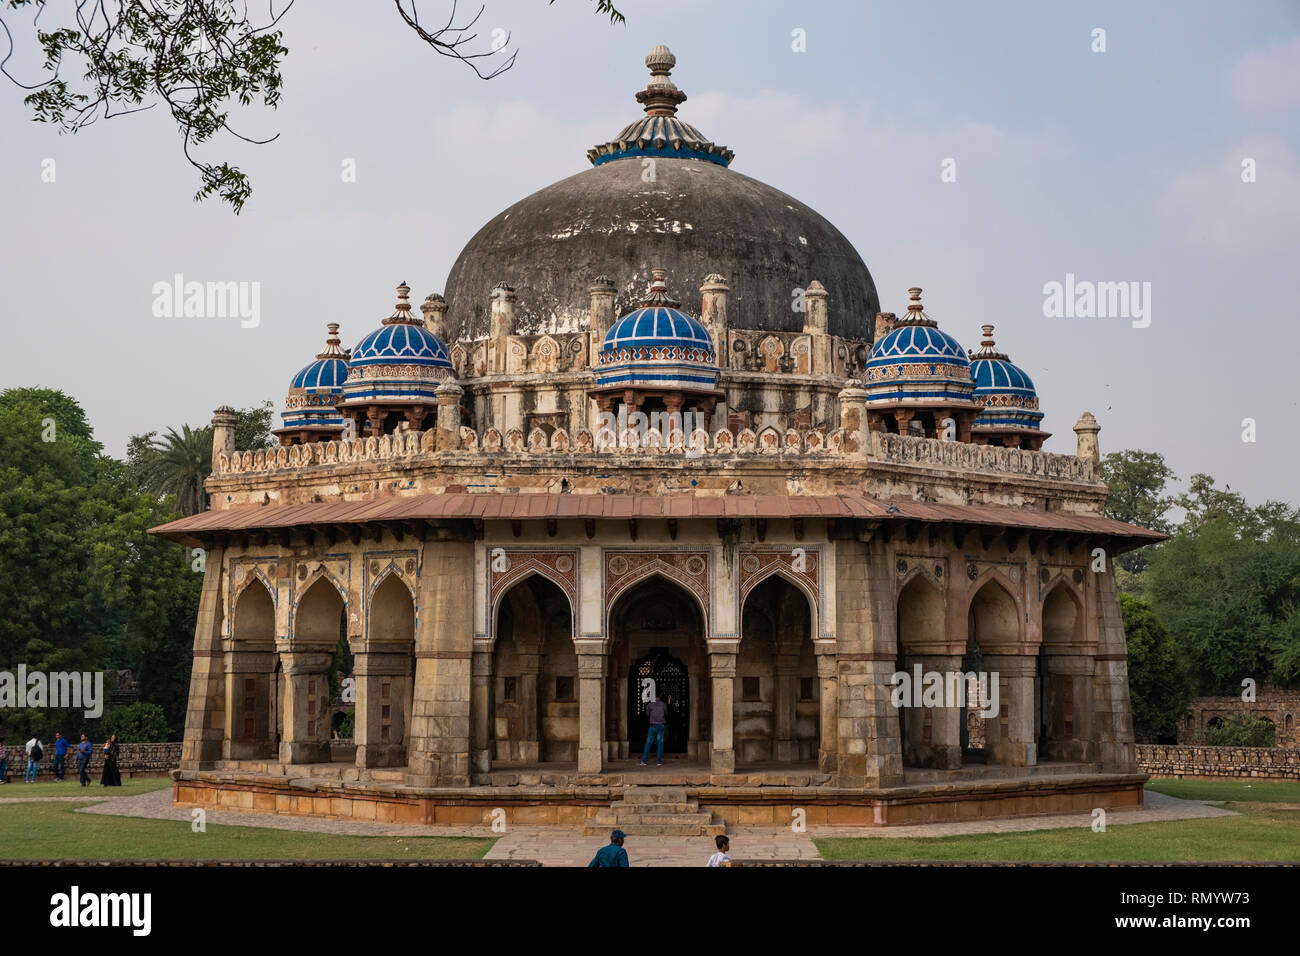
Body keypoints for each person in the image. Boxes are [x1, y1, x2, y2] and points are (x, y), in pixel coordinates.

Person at [639, 692, 668, 766]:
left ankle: (644, 761)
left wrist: (646, 706)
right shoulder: (664, 705)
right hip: (661, 726)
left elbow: (647, 714)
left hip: (653, 726)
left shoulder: (650, 704)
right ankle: (659, 762)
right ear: (660, 697)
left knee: (648, 743)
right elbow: (666, 714)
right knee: (660, 743)